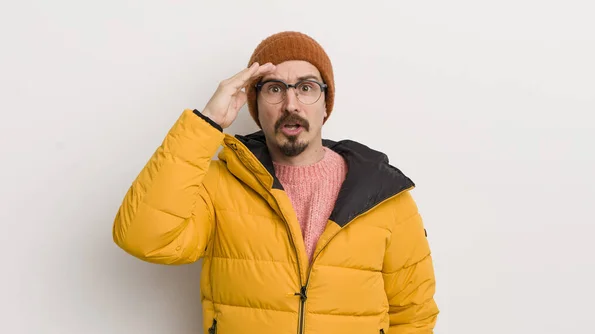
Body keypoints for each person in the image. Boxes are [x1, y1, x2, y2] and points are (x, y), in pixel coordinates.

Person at [112, 31, 439, 334]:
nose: (291, 104)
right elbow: (144, 238)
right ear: (255, 105)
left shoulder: (385, 197)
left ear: (326, 105)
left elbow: (414, 314)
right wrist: (206, 123)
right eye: (274, 89)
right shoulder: (217, 185)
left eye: (307, 87)